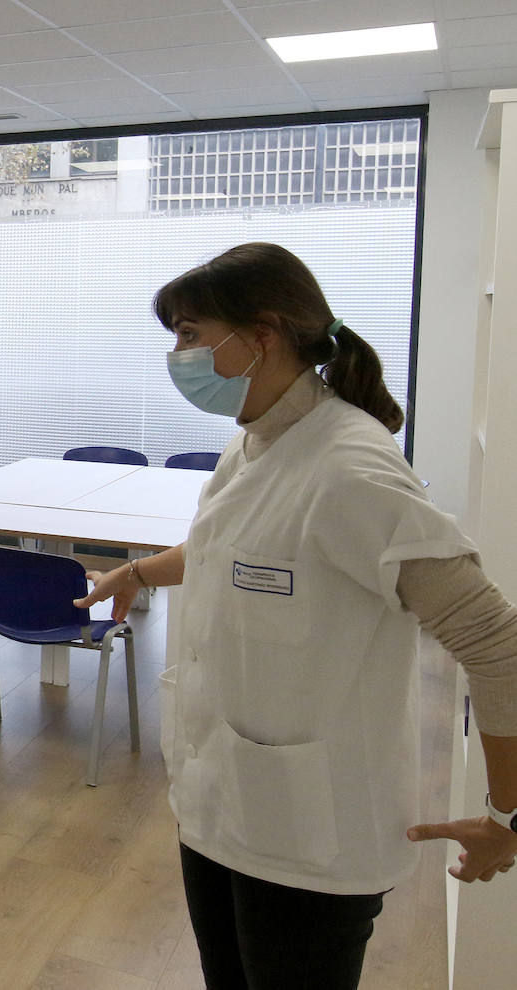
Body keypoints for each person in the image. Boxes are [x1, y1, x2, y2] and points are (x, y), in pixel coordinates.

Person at [75, 242, 517, 989]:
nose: (175, 355)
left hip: (313, 835)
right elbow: (228, 545)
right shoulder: (253, 443)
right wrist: (142, 571)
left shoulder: (349, 467)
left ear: (263, 334)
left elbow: (496, 642)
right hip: (220, 807)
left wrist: (506, 816)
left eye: (188, 333)